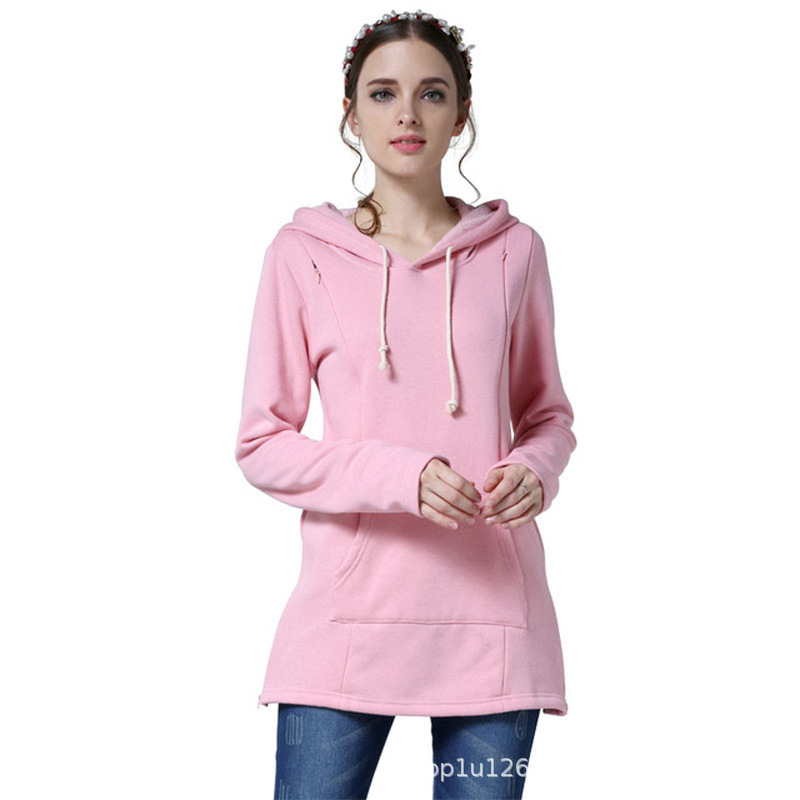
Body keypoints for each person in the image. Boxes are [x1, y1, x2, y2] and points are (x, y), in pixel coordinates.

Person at [234, 9, 577, 799]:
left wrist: (536, 469)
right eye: (383, 93)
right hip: (344, 623)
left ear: (462, 114)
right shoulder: (302, 256)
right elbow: (261, 442)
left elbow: (548, 416)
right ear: (351, 115)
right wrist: (402, 476)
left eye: (432, 93)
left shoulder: (515, 252)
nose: (408, 114)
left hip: (494, 623)